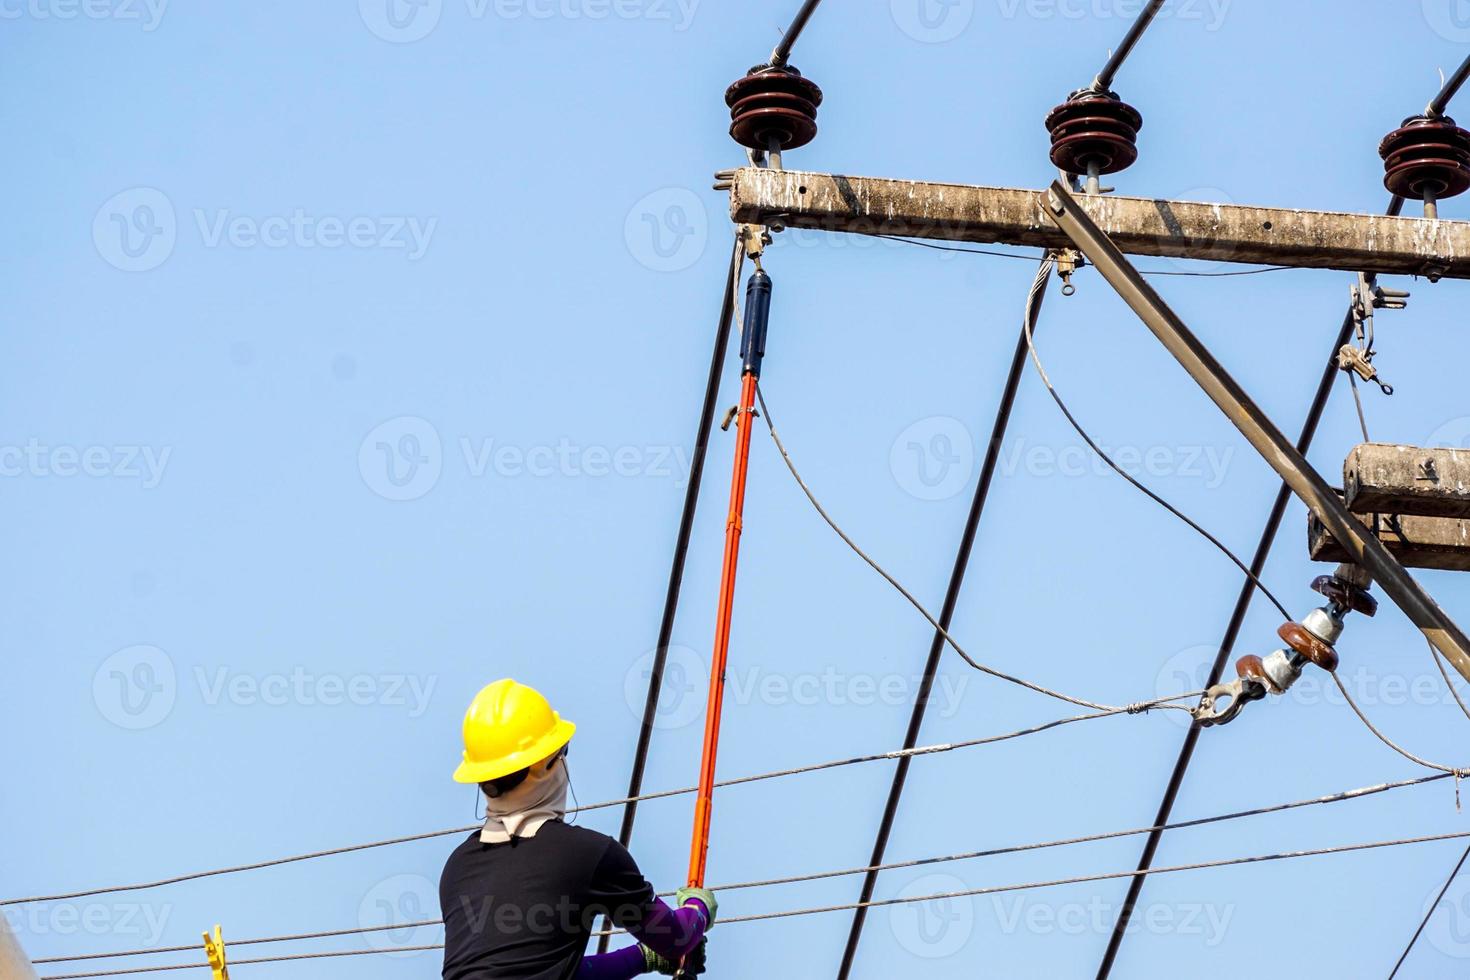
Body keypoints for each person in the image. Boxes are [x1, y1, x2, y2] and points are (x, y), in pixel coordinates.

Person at [441, 679, 715, 980]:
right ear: (545, 766)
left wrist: (639, 958)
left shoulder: (458, 867)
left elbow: (548, 971)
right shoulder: (587, 854)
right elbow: (676, 937)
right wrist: (697, 908)